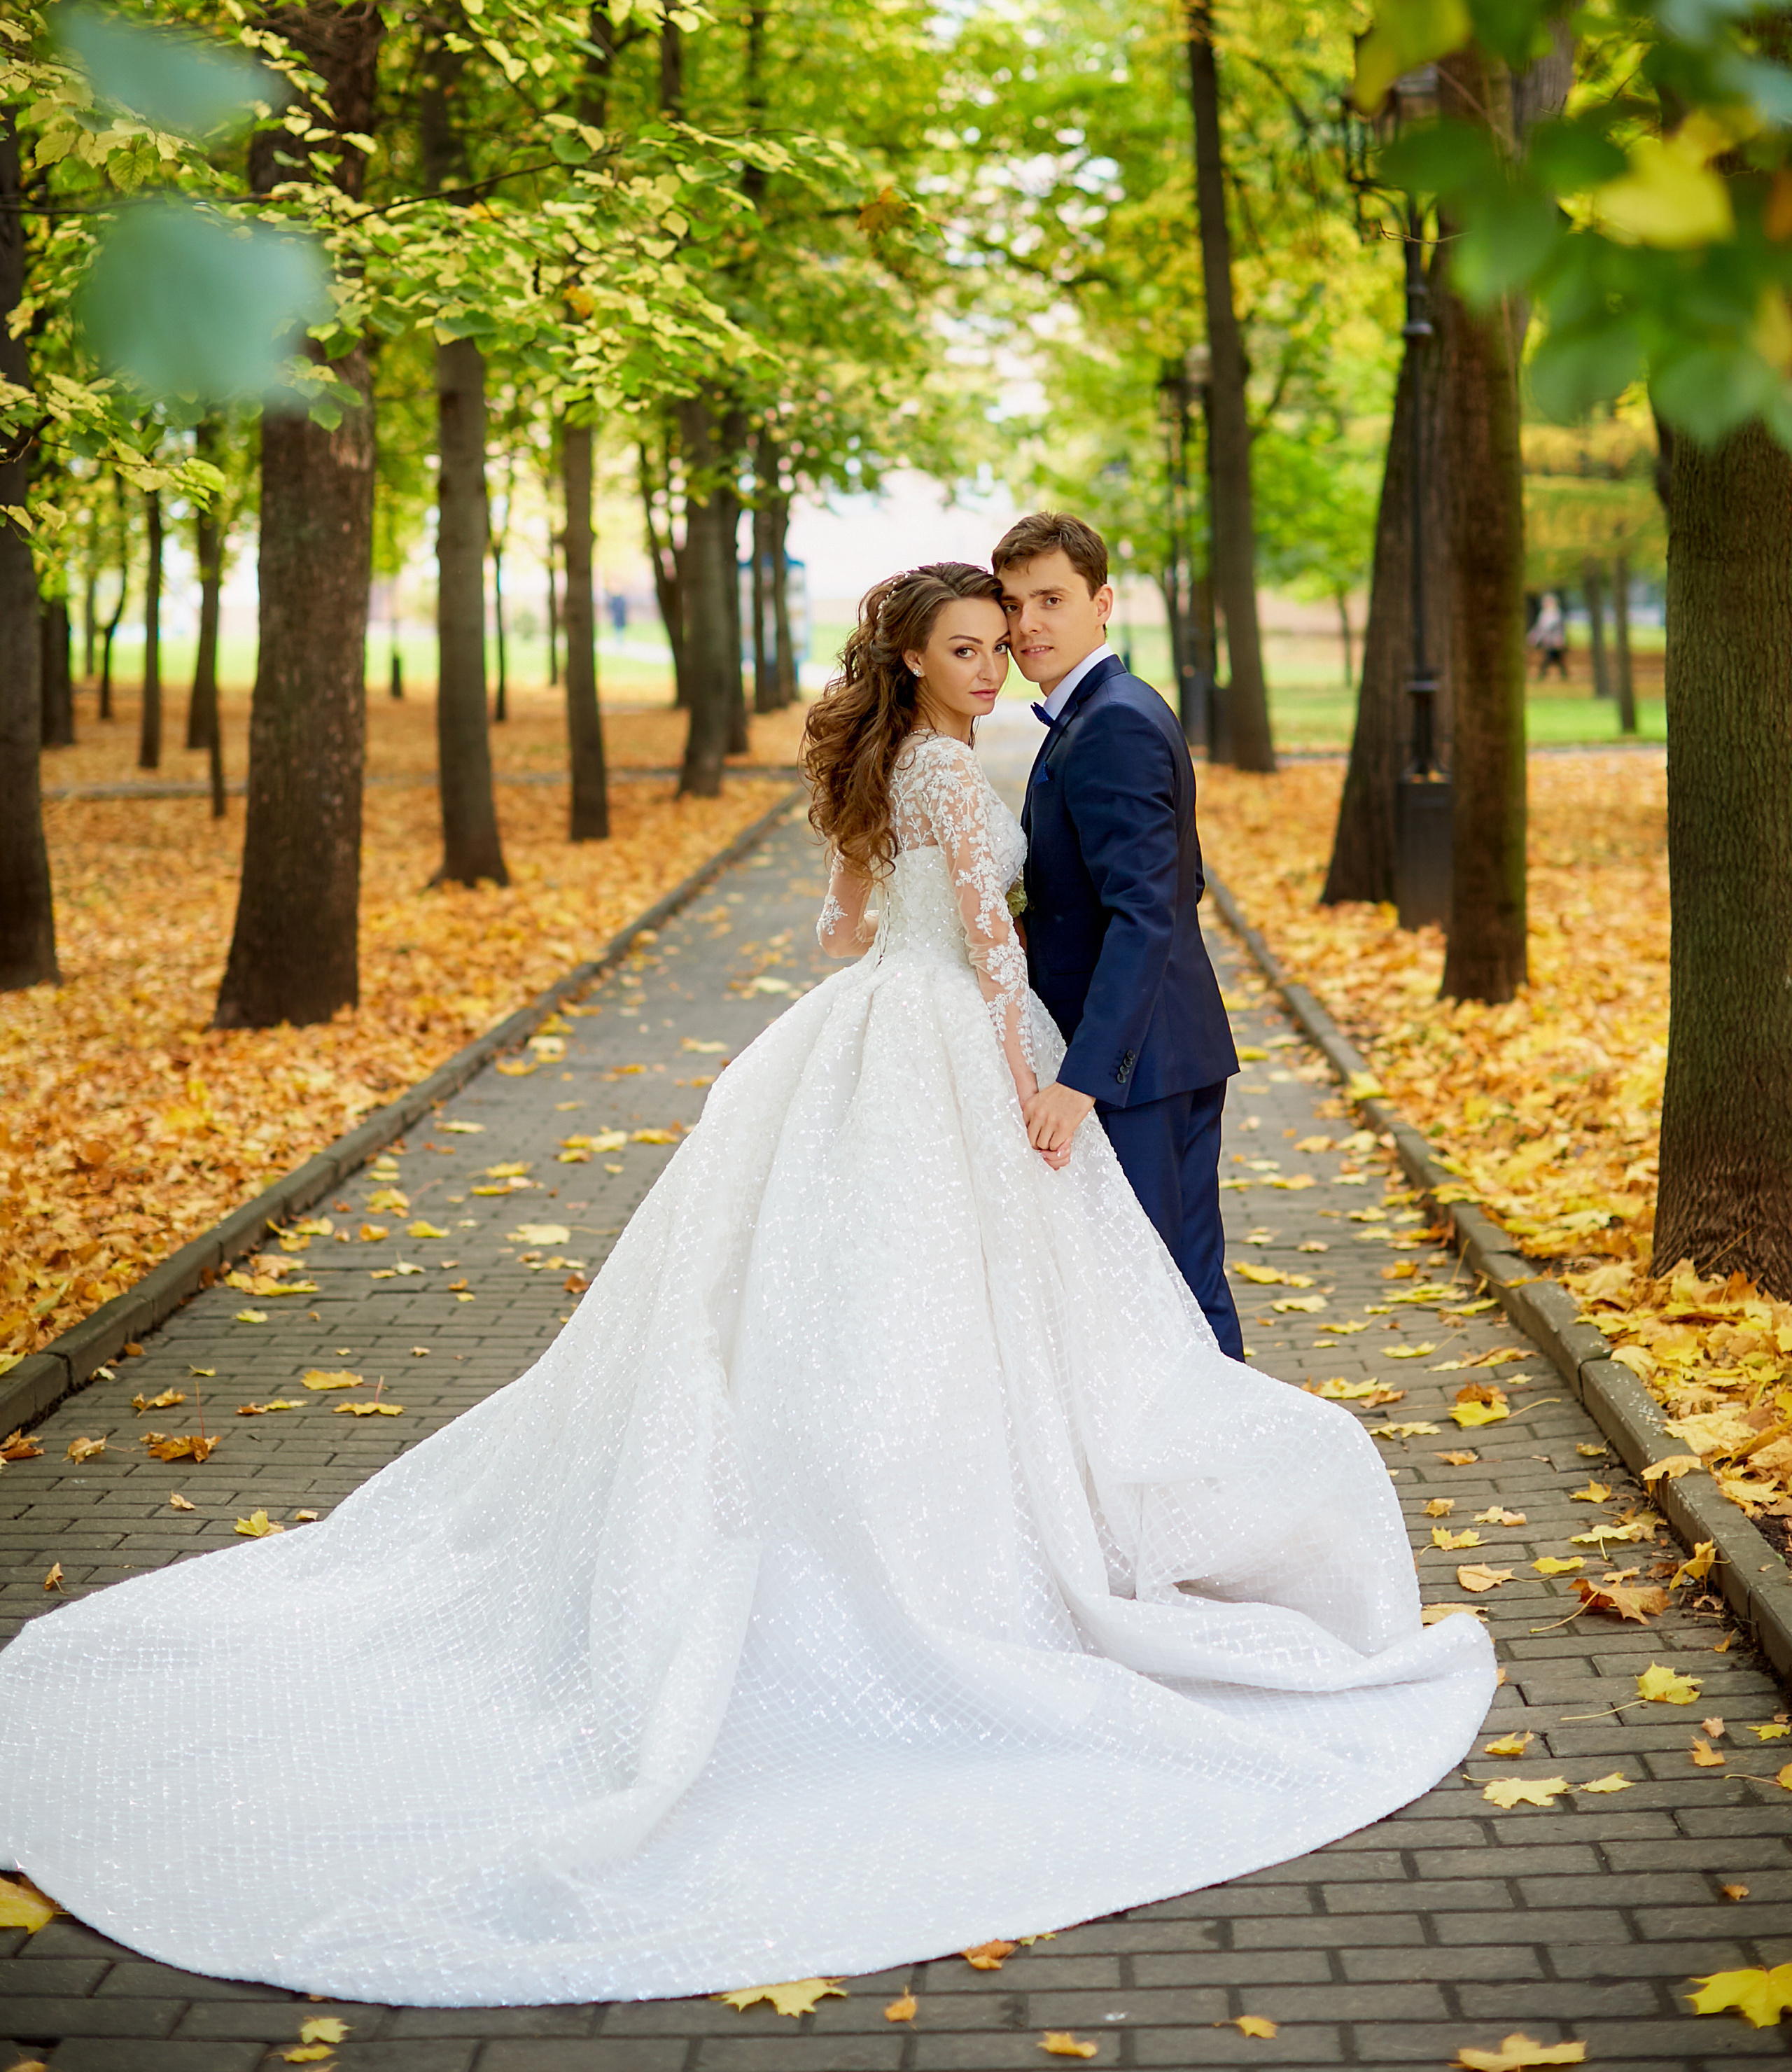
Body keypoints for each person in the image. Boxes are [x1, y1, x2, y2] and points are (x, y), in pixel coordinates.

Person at [0, 562, 1492, 2010]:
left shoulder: (886, 766)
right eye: (968, 645)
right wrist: (1020, 1076)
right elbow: (985, 944)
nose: (993, 665)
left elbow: (841, 932)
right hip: (955, 1045)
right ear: (914, 658)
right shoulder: (943, 769)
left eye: (1003, 640)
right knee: (976, 1291)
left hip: (860, 1027)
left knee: (855, 1292)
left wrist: (903, 937)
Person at [995, 512, 1243, 1355]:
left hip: (1138, 1066)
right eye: (1014, 602)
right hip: (1161, 1046)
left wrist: (1081, 1079)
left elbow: (1147, 911)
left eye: (1052, 599)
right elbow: (1180, 882)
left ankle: (1219, 1472)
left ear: (1102, 603)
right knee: (1178, 1282)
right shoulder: (1102, 711)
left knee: (1161, 1290)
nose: (1028, 624)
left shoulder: (1112, 723)